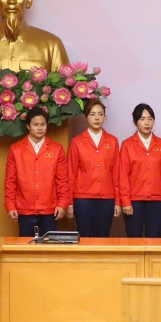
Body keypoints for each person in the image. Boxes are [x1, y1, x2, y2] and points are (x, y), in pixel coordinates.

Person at [4, 106, 68, 238]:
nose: (40, 128)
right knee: (26, 247)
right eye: (36, 124)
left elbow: (62, 180)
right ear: (28, 126)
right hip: (25, 209)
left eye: (43, 124)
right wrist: (10, 205)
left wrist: (62, 204)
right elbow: (10, 181)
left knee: (49, 247)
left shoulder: (57, 149)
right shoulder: (15, 149)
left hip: (50, 209)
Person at [64, 99, 120, 237]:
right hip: (83, 199)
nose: (97, 118)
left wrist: (118, 201)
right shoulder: (77, 142)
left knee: (103, 236)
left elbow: (117, 173)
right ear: (85, 117)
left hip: (107, 198)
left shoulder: (112, 141)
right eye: (93, 114)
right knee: (84, 236)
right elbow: (70, 174)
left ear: (104, 117)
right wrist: (69, 203)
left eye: (100, 114)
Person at [118, 103, 161, 238]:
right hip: (134, 201)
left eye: (150, 119)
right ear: (135, 122)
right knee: (134, 239)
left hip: (156, 201)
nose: (147, 123)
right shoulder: (127, 144)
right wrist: (126, 201)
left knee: (155, 239)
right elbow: (123, 175)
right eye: (142, 119)